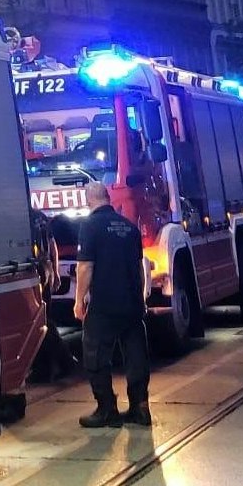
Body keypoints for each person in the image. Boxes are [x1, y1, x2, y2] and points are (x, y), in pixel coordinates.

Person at [73, 181, 151, 428]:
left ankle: (106, 409)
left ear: (88, 200)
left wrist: (78, 301)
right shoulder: (130, 227)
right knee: (136, 355)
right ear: (108, 197)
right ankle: (140, 408)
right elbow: (140, 267)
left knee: (95, 355)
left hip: (104, 305)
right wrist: (140, 298)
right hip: (131, 303)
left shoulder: (90, 226)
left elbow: (85, 266)